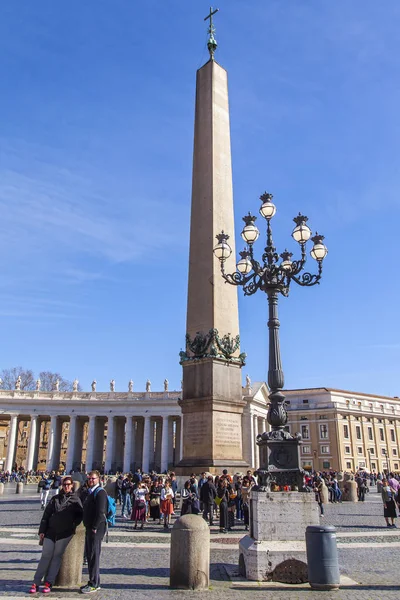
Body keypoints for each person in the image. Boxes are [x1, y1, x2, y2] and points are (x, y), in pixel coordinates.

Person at [29, 476, 83, 594]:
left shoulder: (75, 500)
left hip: (64, 533)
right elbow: (46, 515)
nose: (66, 486)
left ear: (72, 485)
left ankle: (49, 582)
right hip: (50, 532)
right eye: (64, 484)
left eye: (68, 484)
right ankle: (36, 582)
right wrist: (42, 531)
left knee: (56, 558)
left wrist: (73, 524)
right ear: (62, 485)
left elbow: (80, 515)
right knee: (45, 556)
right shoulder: (55, 499)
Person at [81, 470, 108, 594]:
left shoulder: (100, 492)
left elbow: (101, 512)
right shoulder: (90, 492)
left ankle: (94, 583)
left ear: (99, 479)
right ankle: (93, 581)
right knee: (90, 555)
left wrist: (94, 527)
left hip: (96, 529)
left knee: (93, 555)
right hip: (90, 527)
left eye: (93, 478)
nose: (91, 480)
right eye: (90, 479)